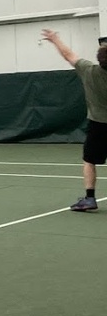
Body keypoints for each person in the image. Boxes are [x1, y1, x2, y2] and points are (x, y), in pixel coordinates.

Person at [41, 29, 107, 211]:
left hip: (98, 125)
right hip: (98, 123)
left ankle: (89, 199)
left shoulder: (89, 71)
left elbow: (68, 54)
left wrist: (55, 39)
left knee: (89, 160)